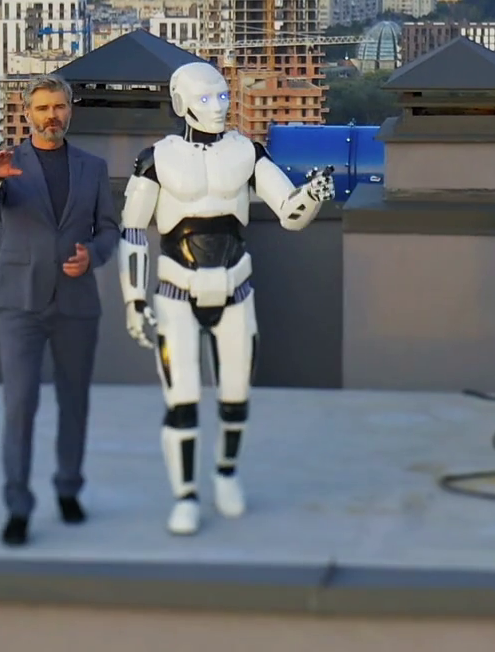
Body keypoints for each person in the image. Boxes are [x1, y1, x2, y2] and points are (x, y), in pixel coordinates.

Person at [117, 62, 334, 535]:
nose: (218, 107)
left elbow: (290, 213)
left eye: (222, 96)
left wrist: (314, 195)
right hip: (177, 290)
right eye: (206, 98)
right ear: (181, 103)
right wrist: (134, 299)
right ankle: (186, 495)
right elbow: (132, 230)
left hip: (236, 287)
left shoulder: (247, 153)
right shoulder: (156, 159)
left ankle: (227, 474)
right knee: (183, 399)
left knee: (236, 396)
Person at [0, 73, 121, 547]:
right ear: (27, 113)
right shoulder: (8, 163)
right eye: (42, 108)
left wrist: (92, 256)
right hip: (20, 303)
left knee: (74, 403)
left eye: (58, 107)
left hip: (76, 302)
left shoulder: (93, 168)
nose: (51, 116)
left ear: (69, 110)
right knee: (20, 406)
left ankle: (69, 490)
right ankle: (18, 507)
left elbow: (109, 230)